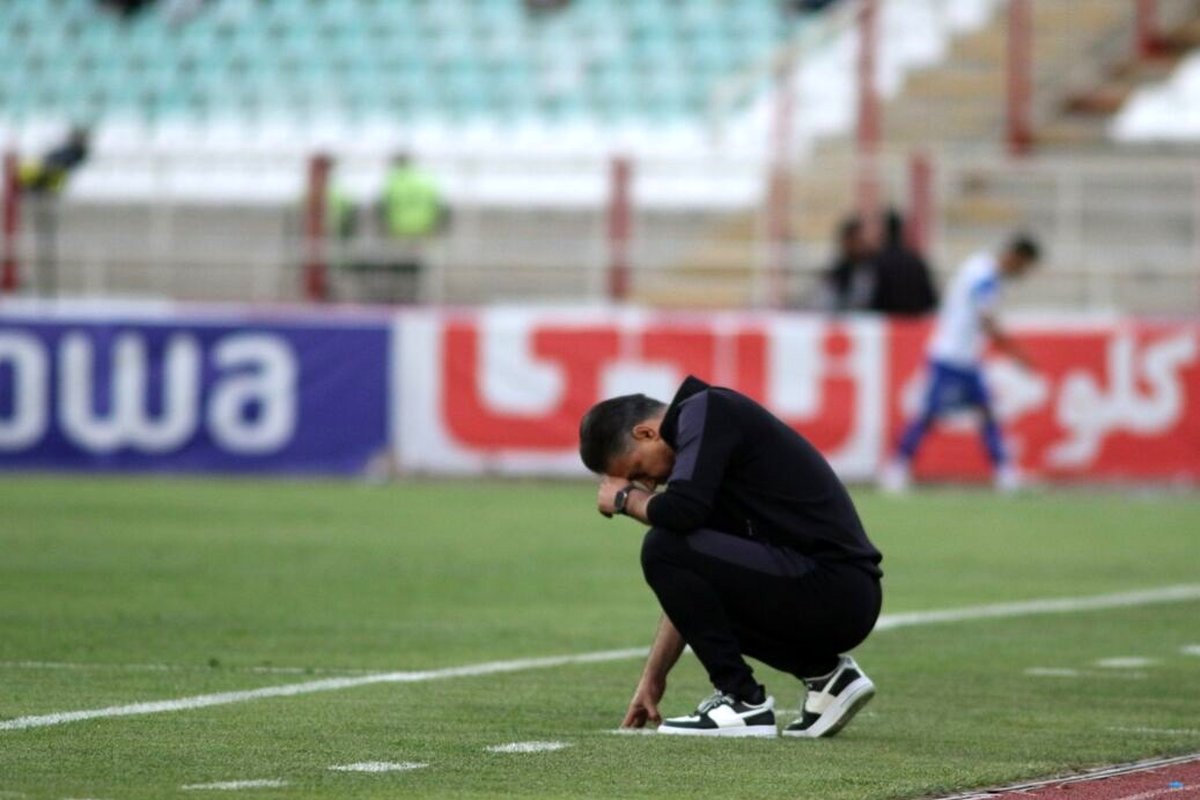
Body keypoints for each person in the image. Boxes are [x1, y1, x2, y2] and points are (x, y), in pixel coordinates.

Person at [579, 376, 883, 737]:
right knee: (673, 551)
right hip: (833, 592)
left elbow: (678, 517)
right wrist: (654, 676)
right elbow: (692, 585)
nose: (648, 485)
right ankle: (828, 678)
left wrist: (624, 499)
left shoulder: (705, 409)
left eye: (639, 472)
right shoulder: (708, 459)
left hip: (835, 586)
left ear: (646, 433)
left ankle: (742, 701)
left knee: (662, 545)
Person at [882, 234, 1042, 493]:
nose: (1023, 274)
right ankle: (897, 468)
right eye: (1024, 268)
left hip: (967, 359)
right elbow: (986, 319)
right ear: (1017, 257)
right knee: (929, 413)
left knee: (987, 412)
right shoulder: (984, 275)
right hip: (950, 356)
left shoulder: (983, 270)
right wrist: (1018, 354)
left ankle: (1005, 473)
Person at [870, 209, 938, 316]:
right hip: (915, 325)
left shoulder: (876, 262)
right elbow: (930, 299)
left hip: (887, 326)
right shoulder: (916, 261)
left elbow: (871, 300)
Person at [817, 215, 876, 312]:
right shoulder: (839, 271)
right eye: (853, 241)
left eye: (859, 241)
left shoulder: (872, 268)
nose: (858, 245)